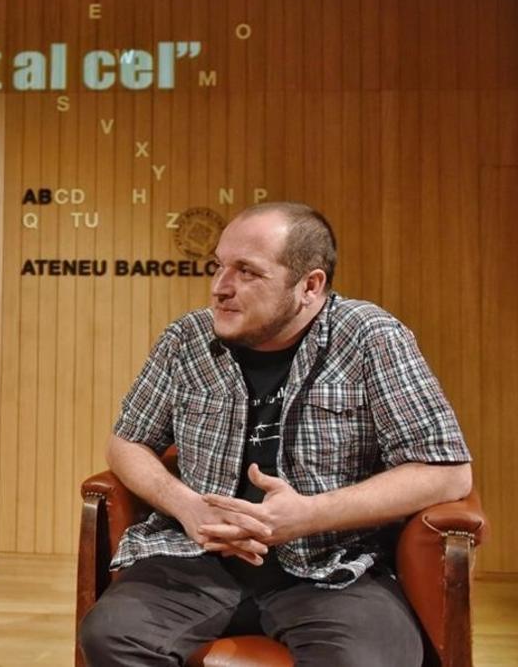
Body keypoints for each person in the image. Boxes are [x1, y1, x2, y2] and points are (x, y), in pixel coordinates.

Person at [78, 202, 472, 665]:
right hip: (195, 560)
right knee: (110, 635)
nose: (220, 288)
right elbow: (127, 442)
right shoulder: (186, 340)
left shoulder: (371, 338)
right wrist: (188, 506)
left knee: (369, 659)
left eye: (246, 272)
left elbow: (447, 473)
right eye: (219, 266)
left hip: (332, 568)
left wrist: (308, 515)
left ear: (310, 285)